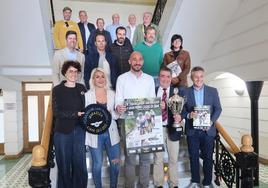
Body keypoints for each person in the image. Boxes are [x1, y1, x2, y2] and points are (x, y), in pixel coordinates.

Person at [115, 51, 155, 188]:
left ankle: (144, 185)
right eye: (134, 59)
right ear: (129, 61)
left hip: (146, 122)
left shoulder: (149, 79)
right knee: (130, 159)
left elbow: (152, 101)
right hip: (128, 122)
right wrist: (118, 107)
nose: (137, 62)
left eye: (140, 59)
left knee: (145, 159)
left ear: (142, 61)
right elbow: (118, 100)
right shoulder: (121, 78)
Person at [181, 66, 222, 188]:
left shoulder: (213, 91)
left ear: (203, 77)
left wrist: (210, 122)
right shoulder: (185, 92)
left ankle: (207, 182)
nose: (198, 79)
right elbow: (181, 110)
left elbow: (218, 109)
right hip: (192, 131)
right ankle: (195, 181)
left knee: (208, 158)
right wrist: (188, 114)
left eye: (201, 76)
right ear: (192, 77)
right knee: (193, 157)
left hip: (208, 131)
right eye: (196, 77)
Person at [52, 60, 87, 188]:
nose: (73, 73)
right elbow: (56, 112)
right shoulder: (57, 90)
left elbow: (87, 108)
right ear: (65, 73)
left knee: (80, 165)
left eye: (76, 71)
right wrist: (75, 114)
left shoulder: (82, 88)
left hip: (79, 131)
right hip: (62, 132)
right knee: (64, 165)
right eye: (70, 71)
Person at [85, 68, 120, 188]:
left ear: (106, 78)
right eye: (97, 77)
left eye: (102, 76)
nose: (100, 79)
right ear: (93, 79)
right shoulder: (87, 95)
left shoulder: (113, 94)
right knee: (97, 164)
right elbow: (85, 117)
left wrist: (113, 114)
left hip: (111, 133)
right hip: (95, 135)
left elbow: (117, 115)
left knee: (115, 163)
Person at [153, 66, 184, 188]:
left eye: (168, 76)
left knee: (173, 158)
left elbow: (184, 109)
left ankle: (174, 184)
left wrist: (180, 117)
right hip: (157, 128)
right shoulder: (153, 91)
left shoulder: (178, 92)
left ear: (171, 78)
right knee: (158, 158)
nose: (165, 79)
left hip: (173, 128)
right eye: (162, 76)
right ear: (159, 77)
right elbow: (147, 110)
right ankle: (158, 184)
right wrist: (156, 107)